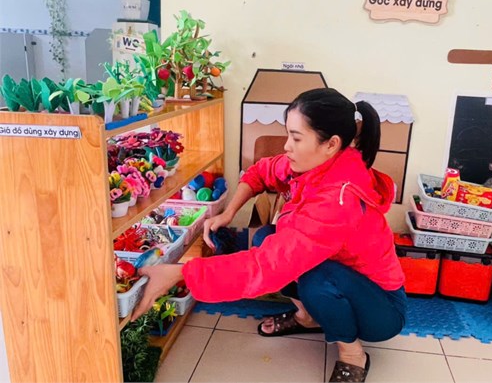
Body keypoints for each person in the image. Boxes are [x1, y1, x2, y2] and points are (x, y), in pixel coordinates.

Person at [131, 88, 407, 382]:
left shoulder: (338, 200)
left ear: (331, 144)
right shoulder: (313, 164)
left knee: (316, 278)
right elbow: (261, 172)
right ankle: (308, 317)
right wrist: (227, 212)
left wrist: (179, 273)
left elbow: (269, 266)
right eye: (288, 135)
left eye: (296, 138)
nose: (287, 146)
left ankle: (353, 355)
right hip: (343, 278)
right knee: (267, 237)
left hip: (381, 310)